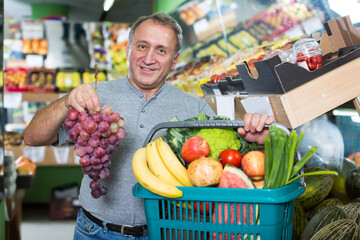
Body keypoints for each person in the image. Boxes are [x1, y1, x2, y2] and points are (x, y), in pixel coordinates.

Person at [23, 13, 274, 240]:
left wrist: (257, 140)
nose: (149, 58)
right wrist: (66, 101)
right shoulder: (94, 96)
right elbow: (32, 137)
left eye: (161, 51)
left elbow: (227, 165)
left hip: (165, 232)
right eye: (142, 46)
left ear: (174, 60)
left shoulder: (194, 108)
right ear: (128, 49)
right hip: (95, 231)